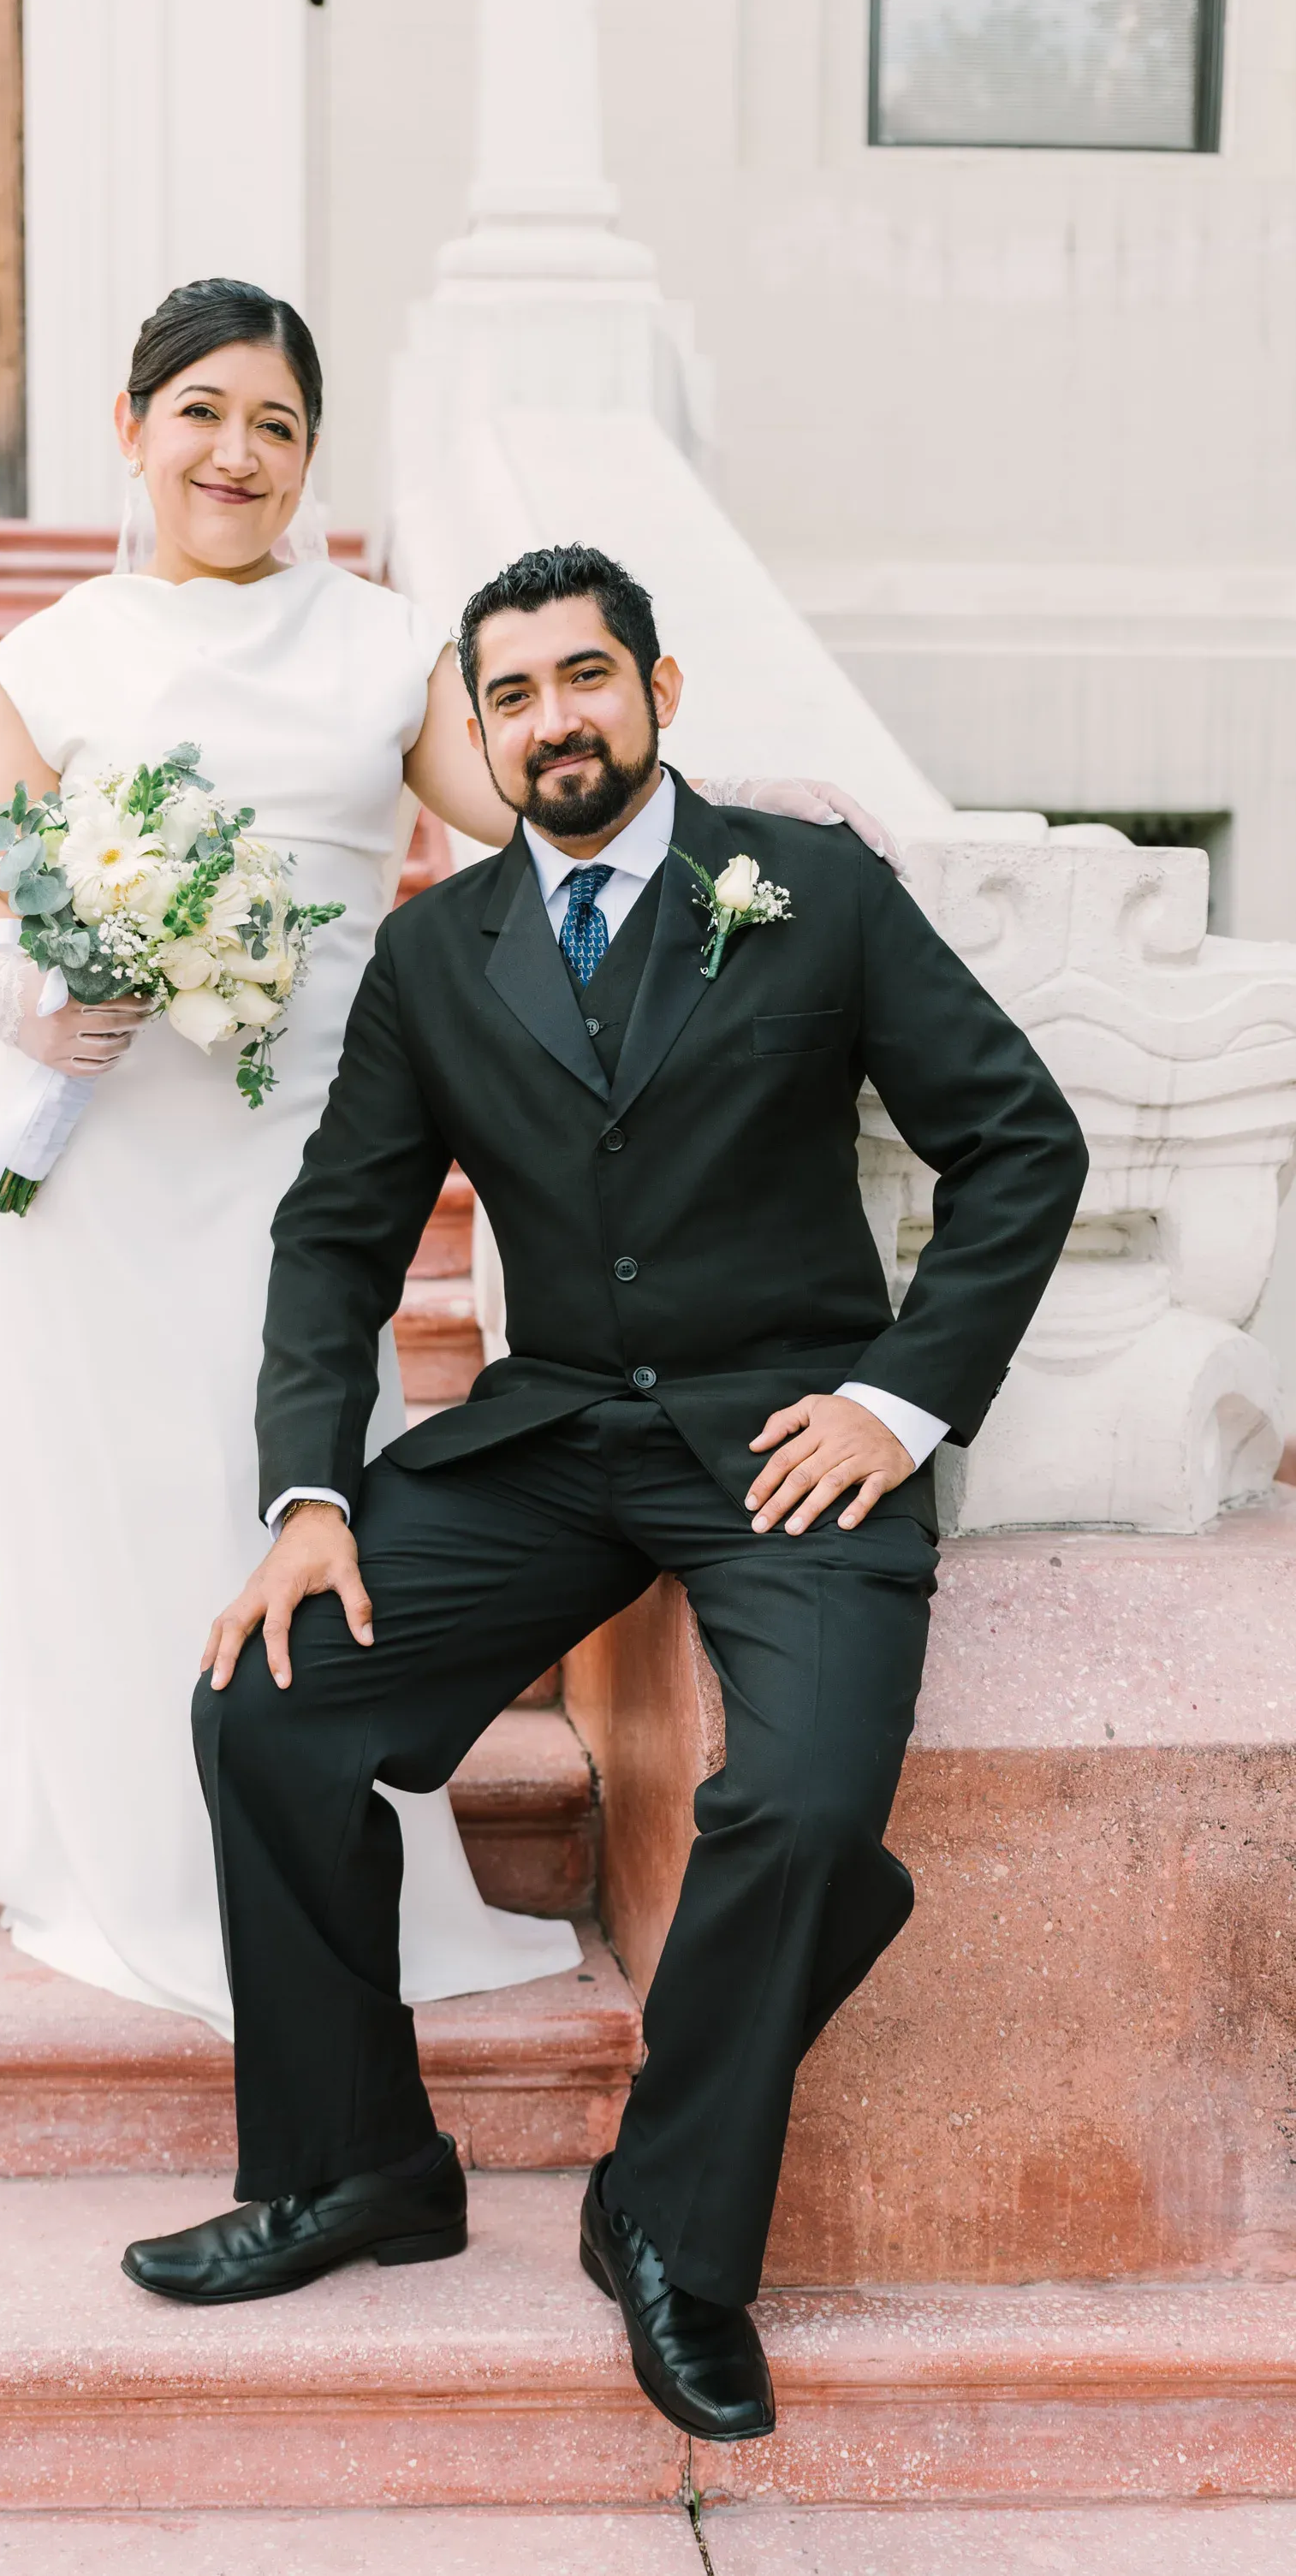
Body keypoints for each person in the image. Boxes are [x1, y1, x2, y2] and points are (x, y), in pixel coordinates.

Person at [123, 544, 1090, 2443]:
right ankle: (356, 2170)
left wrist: (897, 1400)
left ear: (656, 685)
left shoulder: (808, 889)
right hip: (547, 1434)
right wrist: (306, 1496)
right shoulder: (432, 952)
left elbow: (1016, 1141)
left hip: (784, 1433)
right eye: (509, 695)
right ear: (475, 732)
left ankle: (664, 2222)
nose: (550, 719)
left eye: (583, 678)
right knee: (267, 1709)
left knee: (804, 1808)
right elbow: (334, 1243)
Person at [0, 281, 907, 2043]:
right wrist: (18, 989)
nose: (237, 454)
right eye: (203, 413)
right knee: (105, 1510)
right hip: (94, 1159)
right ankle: (125, 1857)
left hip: (296, 1149)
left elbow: (548, 799)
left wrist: (751, 827)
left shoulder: (384, 642)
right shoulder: (54, 648)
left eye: (279, 426)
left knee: (283, 1489)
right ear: (132, 426)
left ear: (310, 455)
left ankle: (311, 1866)